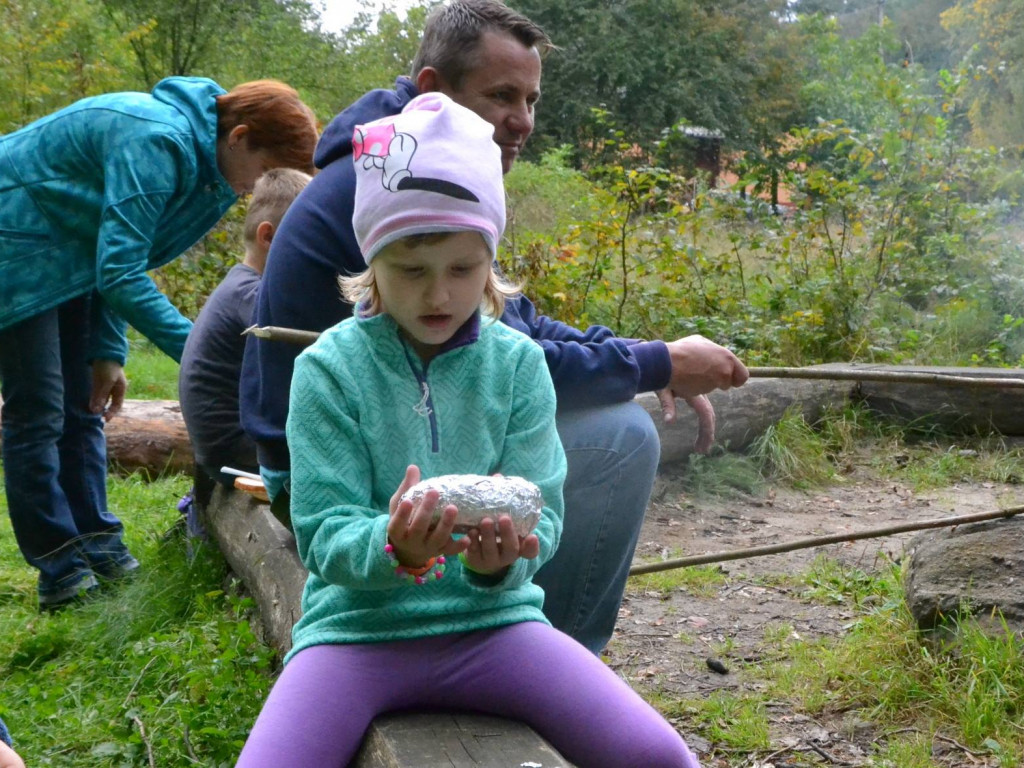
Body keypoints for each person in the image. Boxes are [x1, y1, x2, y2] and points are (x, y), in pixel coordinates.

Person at [240, 0, 748, 654]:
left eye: (532, 100)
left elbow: (518, 330)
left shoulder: (415, 170)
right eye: (502, 95)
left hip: (396, 444)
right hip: (329, 478)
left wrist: (651, 358)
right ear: (432, 91)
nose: (523, 121)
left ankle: (527, 645)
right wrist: (656, 365)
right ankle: (556, 648)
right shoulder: (386, 194)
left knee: (604, 422)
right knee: (623, 438)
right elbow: (525, 358)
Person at [236, 91, 701, 768]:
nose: (439, 295)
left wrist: (500, 565)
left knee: (662, 758)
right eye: (410, 270)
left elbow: (545, 515)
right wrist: (395, 546)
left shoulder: (517, 367)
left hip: (496, 629)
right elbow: (323, 533)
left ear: (491, 264)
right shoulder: (327, 370)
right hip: (355, 636)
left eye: (462, 268)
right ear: (372, 264)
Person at [0, 77, 319, 611]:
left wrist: (107, 351)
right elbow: (119, 270)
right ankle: (60, 568)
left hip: (66, 254)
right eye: (264, 173)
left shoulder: (208, 172)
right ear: (239, 136)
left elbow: (115, 250)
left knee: (82, 409)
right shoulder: (157, 141)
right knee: (39, 411)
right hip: (15, 244)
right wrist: (200, 349)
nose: (254, 190)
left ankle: (99, 545)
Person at [178, 167, 312, 518]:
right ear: (269, 238)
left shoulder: (239, 285)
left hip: (223, 447)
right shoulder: (253, 296)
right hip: (236, 451)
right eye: (307, 242)